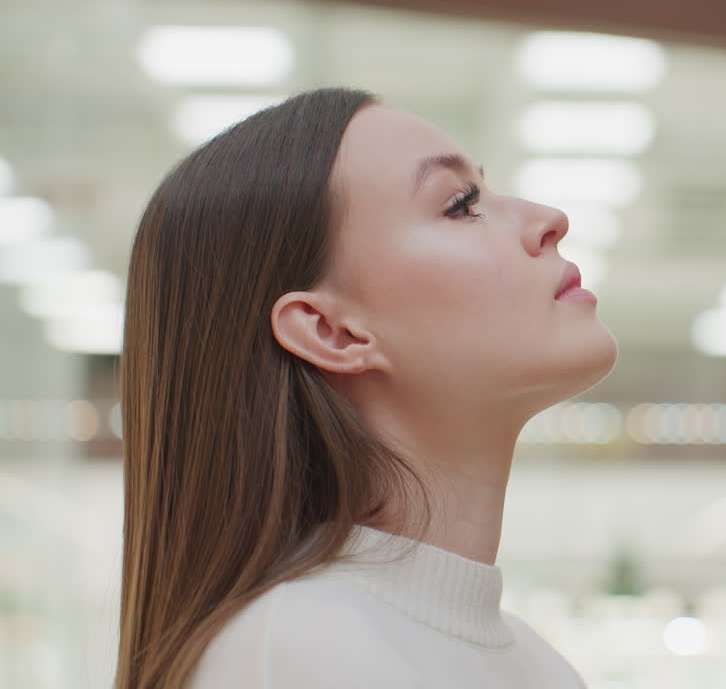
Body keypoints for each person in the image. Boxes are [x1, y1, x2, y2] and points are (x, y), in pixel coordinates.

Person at [113, 88, 618, 688]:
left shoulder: (536, 664)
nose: (548, 219)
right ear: (332, 332)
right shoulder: (298, 650)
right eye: (461, 204)